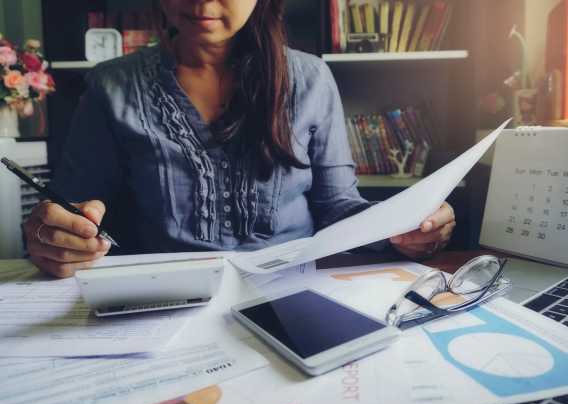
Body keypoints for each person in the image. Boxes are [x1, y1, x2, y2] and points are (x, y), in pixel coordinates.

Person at [23, 0, 456, 278]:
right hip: (165, 298)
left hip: (293, 286)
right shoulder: (111, 86)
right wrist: (54, 235)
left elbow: (337, 206)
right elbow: (67, 207)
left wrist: (407, 225)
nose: (202, 1)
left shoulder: (309, 79)